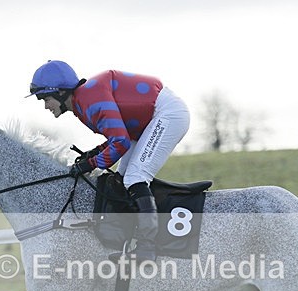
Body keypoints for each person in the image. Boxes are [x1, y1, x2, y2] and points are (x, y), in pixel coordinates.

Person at [28, 60, 190, 262]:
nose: (45, 106)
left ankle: (147, 247)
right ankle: (129, 238)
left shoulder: (89, 101)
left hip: (167, 114)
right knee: (121, 179)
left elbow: (121, 142)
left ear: (60, 92)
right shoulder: (83, 101)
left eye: (45, 98)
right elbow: (117, 137)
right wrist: (93, 153)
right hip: (147, 121)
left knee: (135, 178)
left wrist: (91, 164)